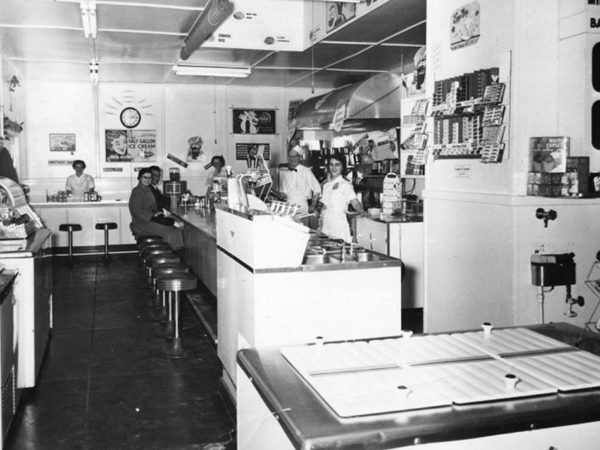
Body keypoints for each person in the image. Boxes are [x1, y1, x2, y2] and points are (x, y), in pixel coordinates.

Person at [129, 168, 183, 250]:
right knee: (172, 231)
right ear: (140, 178)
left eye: (149, 178)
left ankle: (174, 254)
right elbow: (136, 211)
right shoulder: (137, 191)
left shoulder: (149, 189)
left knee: (176, 228)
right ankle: (170, 255)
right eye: (145, 177)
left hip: (150, 220)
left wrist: (158, 213)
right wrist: (153, 215)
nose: (147, 180)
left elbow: (155, 205)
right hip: (142, 223)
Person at [318, 153, 366, 242]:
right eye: (331, 164)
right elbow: (324, 206)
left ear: (342, 167)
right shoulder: (326, 185)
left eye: (337, 164)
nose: (334, 167)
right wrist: (320, 222)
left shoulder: (346, 185)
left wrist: (362, 211)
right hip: (326, 223)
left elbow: (354, 202)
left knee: (339, 250)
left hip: (338, 223)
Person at [279, 145, 320, 214]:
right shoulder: (287, 174)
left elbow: (317, 189)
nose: (292, 159)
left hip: (302, 206)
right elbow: (284, 194)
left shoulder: (306, 171)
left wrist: (313, 205)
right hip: (288, 207)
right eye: (290, 156)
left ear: (300, 158)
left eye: (295, 156)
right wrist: (274, 194)